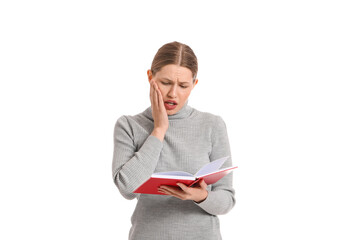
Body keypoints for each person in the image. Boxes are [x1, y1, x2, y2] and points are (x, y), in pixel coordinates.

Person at [112, 41, 236, 240]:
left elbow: (227, 200)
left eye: (183, 85)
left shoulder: (212, 125)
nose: (173, 93)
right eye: (166, 82)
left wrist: (201, 196)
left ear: (194, 85)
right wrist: (159, 129)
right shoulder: (129, 125)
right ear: (150, 77)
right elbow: (127, 188)